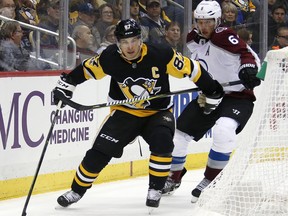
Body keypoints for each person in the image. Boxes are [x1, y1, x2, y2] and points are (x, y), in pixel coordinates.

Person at [52, 18, 224, 210]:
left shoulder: (160, 54)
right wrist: (65, 86)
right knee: (100, 151)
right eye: (125, 42)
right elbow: (84, 71)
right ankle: (76, 191)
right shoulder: (109, 58)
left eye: (134, 40)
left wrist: (212, 89)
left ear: (140, 40)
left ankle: (156, 189)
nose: (130, 46)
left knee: (163, 141)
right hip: (125, 112)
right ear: (118, 43)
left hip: (158, 112)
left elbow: (192, 69)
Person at [161, 0, 261, 203]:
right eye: (200, 21)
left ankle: (213, 179)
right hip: (211, 94)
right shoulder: (191, 38)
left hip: (237, 96)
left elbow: (246, 53)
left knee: (224, 130)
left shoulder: (224, 34)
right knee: (179, 134)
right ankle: (174, 175)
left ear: (217, 20)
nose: (204, 26)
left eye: (208, 22)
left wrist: (248, 70)